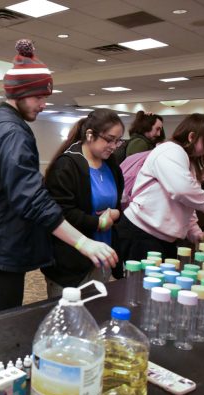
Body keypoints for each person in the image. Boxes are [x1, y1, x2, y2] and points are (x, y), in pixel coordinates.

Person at [0, 39, 117, 316]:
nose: (44, 104)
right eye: (38, 97)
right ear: (18, 94)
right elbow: (30, 198)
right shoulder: (11, 132)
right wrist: (83, 241)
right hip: (0, 245)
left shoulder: (5, 125)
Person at [115, 113, 204, 263]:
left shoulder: (188, 161)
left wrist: (195, 232)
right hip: (142, 232)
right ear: (192, 137)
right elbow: (182, 190)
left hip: (161, 237)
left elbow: (186, 203)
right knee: (141, 284)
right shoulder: (171, 151)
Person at [43, 109, 125, 297]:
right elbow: (61, 213)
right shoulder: (67, 165)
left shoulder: (111, 165)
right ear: (90, 135)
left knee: (96, 313)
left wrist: (116, 214)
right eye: (109, 139)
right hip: (72, 260)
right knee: (69, 319)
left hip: (103, 254)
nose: (114, 146)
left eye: (118, 140)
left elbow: (117, 204)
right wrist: (98, 223)